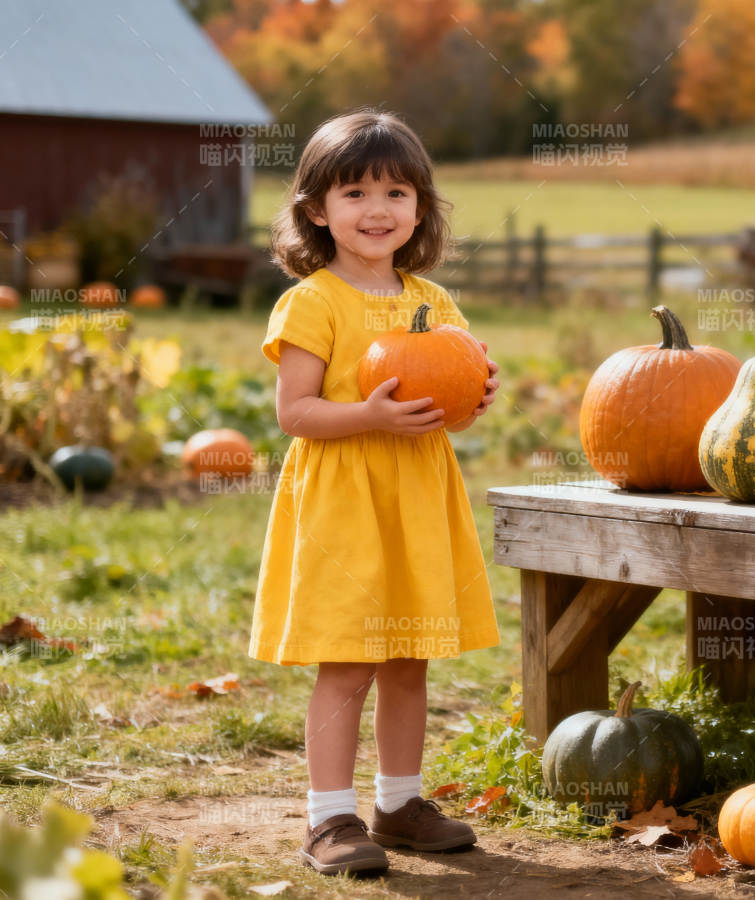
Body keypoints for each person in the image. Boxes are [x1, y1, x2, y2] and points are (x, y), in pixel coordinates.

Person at [252, 108, 500, 876]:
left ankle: (399, 804)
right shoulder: (313, 302)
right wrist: (369, 414)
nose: (376, 209)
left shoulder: (434, 301)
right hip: (344, 505)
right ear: (316, 210)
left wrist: (472, 397)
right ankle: (329, 818)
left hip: (416, 499)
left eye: (396, 192)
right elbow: (295, 413)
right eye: (354, 192)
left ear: (419, 208)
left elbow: (449, 397)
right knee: (348, 660)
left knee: (409, 659)